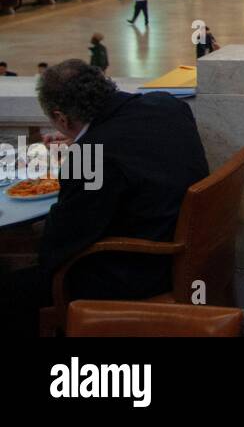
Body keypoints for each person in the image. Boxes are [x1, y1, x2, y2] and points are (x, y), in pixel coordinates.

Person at [0, 61, 208, 337]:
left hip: (138, 269)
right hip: (190, 248)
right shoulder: (166, 106)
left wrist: (83, 152)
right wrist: (85, 143)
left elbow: (58, 247)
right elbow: (135, 148)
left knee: (11, 291)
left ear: (61, 118)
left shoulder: (91, 157)